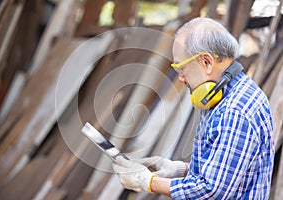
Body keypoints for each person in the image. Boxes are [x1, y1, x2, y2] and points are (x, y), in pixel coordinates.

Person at [113, 17, 275, 199]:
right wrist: (181, 169)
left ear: (206, 62)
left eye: (181, 68)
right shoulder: (225, 94)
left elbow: (212, 191)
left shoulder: (235, 111)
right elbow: (227, 170)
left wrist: (148, 182)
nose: (180, 78)